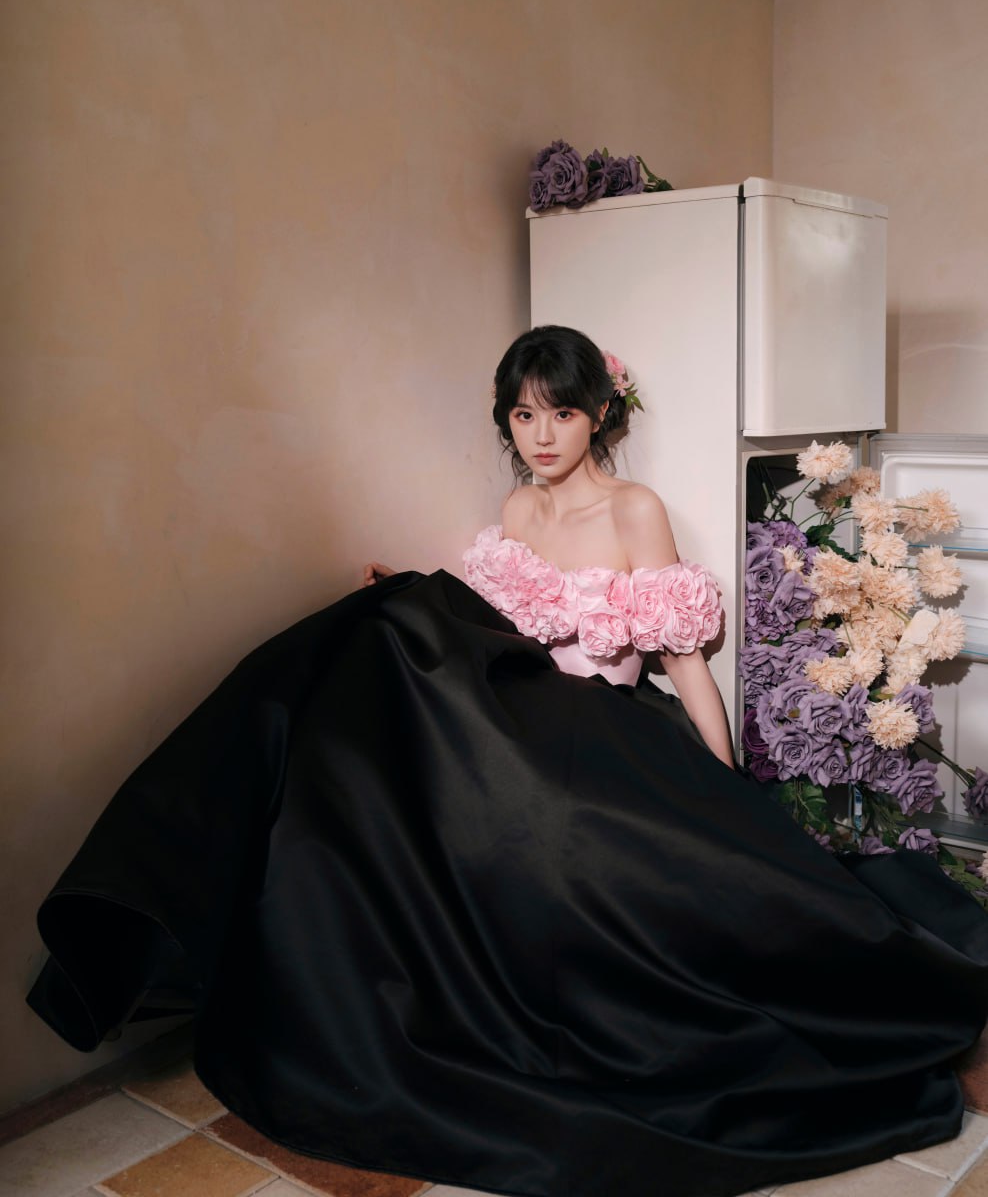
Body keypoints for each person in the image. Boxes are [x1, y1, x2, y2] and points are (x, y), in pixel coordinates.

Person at [26, 325, 988, 1197]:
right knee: (373, 638)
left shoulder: (635, 509)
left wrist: (724, 784)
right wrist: (408, 595)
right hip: (519, 714)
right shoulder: (519, 508)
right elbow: (491, 630)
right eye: (523, 415)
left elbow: (684, 659)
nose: (541, 435)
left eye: (560, 412)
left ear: (599, 413)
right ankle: (159, 892)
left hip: (609, 724)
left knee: (452, 701)